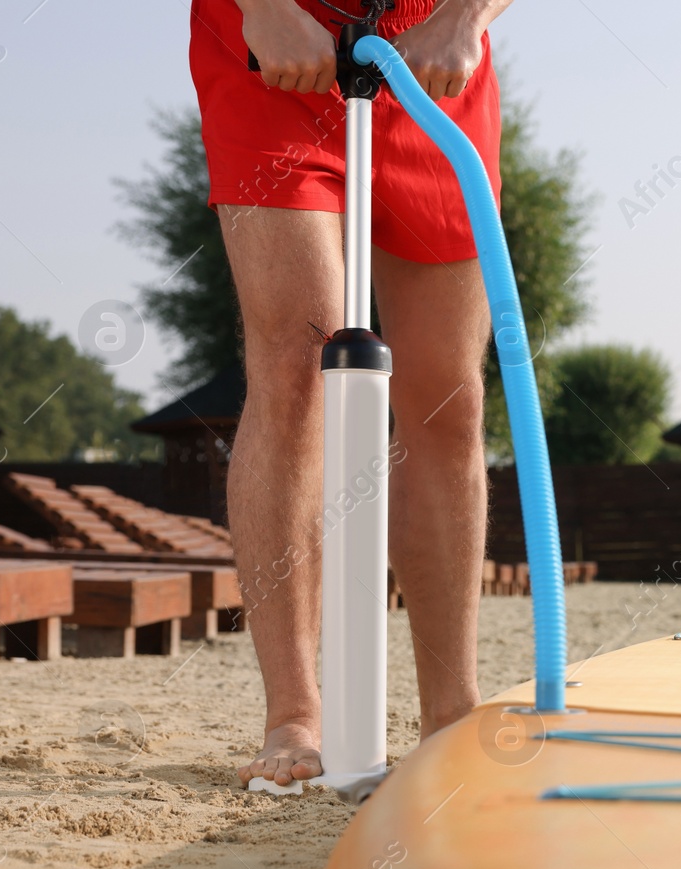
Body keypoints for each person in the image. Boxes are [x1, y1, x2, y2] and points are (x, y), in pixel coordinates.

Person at [189, 0, 512, 787]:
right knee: (299, 364)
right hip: (273, 53)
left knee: (449, 396)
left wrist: (465, 17)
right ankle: (293, 715)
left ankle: (449, 712)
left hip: (431, 56)